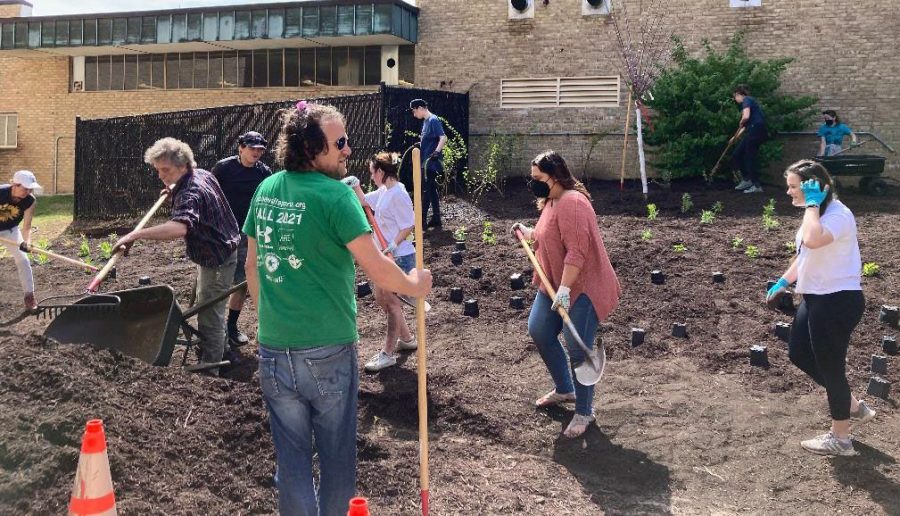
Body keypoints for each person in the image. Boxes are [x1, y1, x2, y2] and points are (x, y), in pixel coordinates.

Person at [243, 101, 432, 515]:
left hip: (274, 350)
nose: (348, 150)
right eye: (340, 143)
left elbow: (252, 268)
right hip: (328, 351)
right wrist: (414, 284)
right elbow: (379, 270)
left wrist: (272, 319)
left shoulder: (266, 190)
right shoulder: (336, 197)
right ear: (312, 149)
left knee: (291, 463)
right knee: (336, 462)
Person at [508, 151, 621, 439]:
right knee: (540, 329)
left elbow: (577, 252)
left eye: (537, 178)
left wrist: (566, 290)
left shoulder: (573, 203)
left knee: (577, 346)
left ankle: (584, 411)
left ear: (555, 176)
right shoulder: (551, 200)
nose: (532, 183)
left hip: (582, 287)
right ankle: (565, 388)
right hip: (553, 282)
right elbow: (549, 236)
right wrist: (528, 233)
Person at [766, 159, 873, 456]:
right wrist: (782, 282)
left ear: (815, 188)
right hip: (815, 296)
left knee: (831, 368)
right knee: (798, 352)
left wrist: (812, 205)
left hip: (837, 301)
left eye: (793, 187)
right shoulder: (816, 213)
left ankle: (841, 439)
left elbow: (812, 240)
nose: (788, 193)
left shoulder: (838, 215)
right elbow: (804, 256)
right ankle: (853, 407)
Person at [114, 138, 239, 374]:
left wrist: (135, 235)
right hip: (220, 250)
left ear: (182, 166)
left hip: (217, 258)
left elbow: (180, 227)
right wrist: (174, 189)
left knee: (209, 314)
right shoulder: (200, 174)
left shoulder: (191, 190)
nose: (161, 175)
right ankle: (221, 351)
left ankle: (210, 370)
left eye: (166, 170)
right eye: (158, 170)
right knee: (211, 305)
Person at [346, 152, 418, 372]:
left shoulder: (399, 193)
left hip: (399, 256)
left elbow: (409, 224)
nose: (371, 177)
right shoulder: (385, 191)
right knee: (381, 298)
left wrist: (394, 244)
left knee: (392, 302)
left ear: (381, 171)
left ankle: (387, 354)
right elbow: (365, 202)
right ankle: (406, 339)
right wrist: (355, 185)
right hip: (385, 255)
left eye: (371, 173)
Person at [211, 130, 273, 348]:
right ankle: (212, 331)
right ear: (241, 147)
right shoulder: (223, 169)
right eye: (252, 148)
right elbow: (209, 194)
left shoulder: (264, 173)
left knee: (242, 283)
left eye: (260, 149)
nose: (256, 152)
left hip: (250, 235)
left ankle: (231, 328)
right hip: (222, 234)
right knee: (218, 282)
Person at [0, 170, 41, 310]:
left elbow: (27, 226)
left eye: (30, 189)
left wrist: (26, 242)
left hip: (10, 230)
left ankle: (29, 296)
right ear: (14, 185)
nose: (27, 192)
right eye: (25, 188)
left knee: (23, 260)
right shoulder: (1, 193)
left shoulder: (30, 201)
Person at [410, 98, 447, 229]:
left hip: (430, 163)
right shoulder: (426, 122)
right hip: (425, 162)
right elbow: (429, 140)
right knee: (431, 190)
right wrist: (420, 144)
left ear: (421, 108)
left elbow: (443, 137)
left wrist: (436, 152)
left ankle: (422, 221)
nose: (414, 114)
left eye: (414, 111)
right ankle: (436, 218)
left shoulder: (433, 120)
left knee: (426, 190)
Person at [731, 85, 768, 194]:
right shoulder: (749, 103)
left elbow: (746, 117)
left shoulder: (747, 100)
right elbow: (744, 127)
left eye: (735, 97)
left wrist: (742, 120)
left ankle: (756, 185)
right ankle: (747, 180)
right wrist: (734, 138)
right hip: (753, 130)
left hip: (757, 130)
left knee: (749, 157)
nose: (735, 99)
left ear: (739, 94)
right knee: (737, 154)